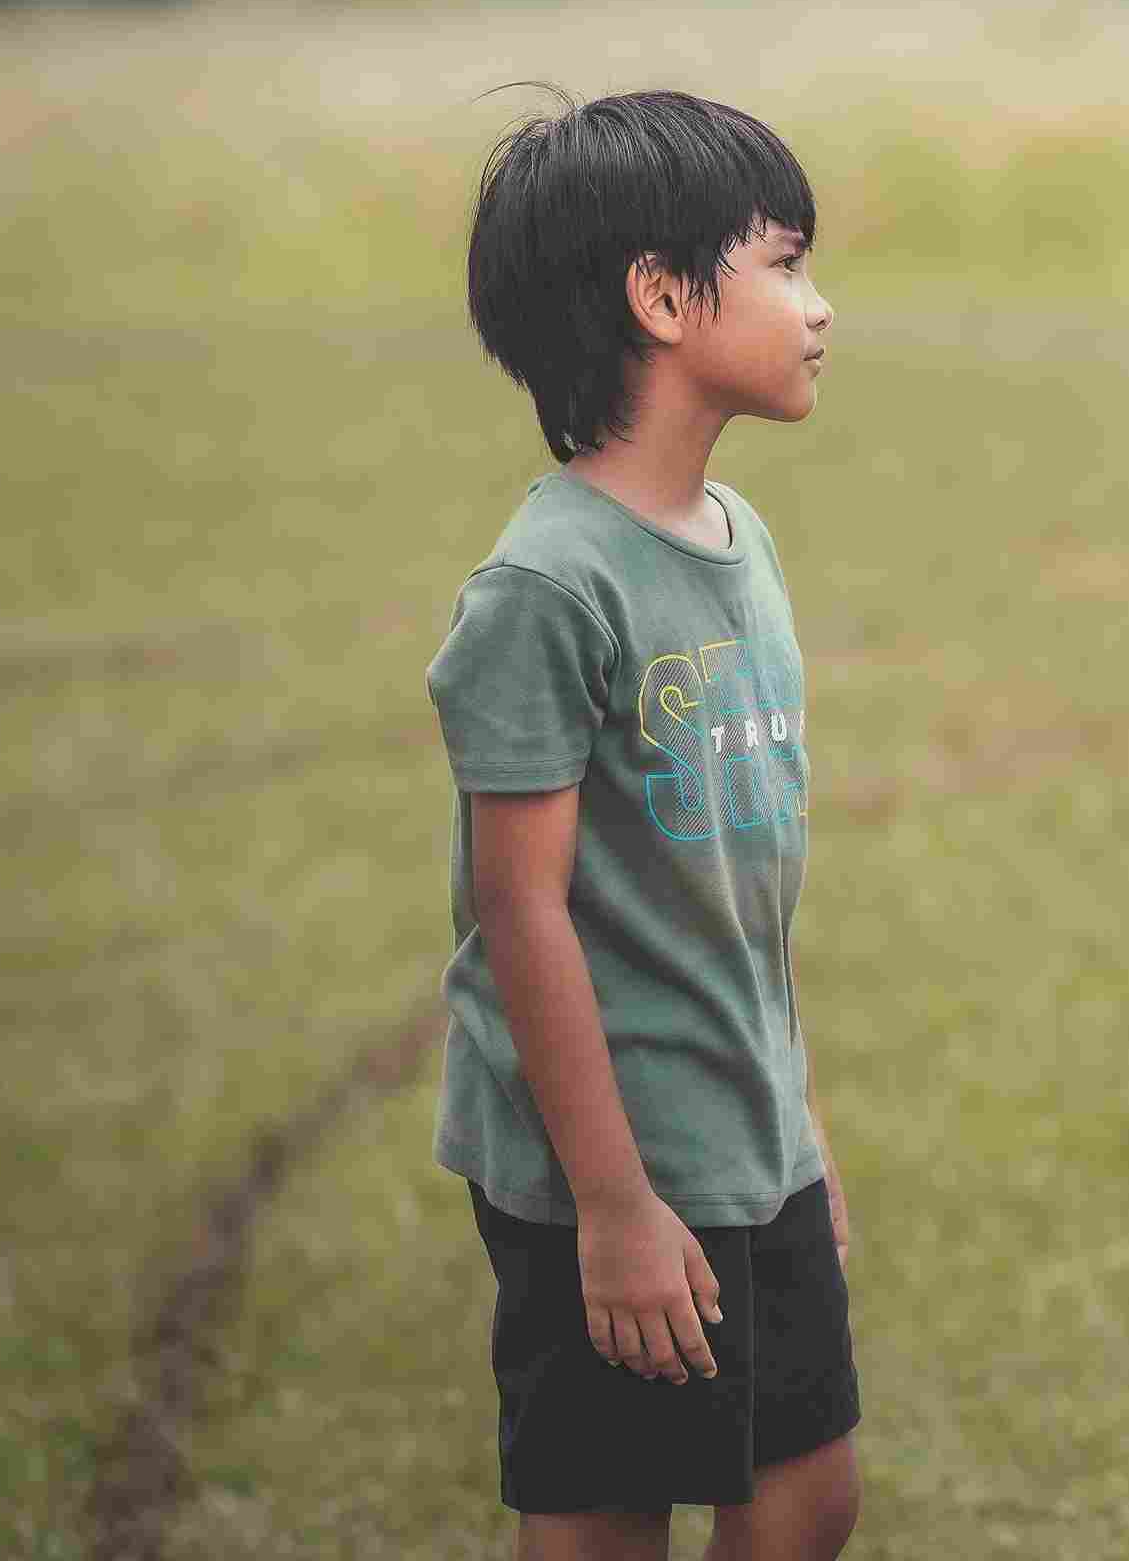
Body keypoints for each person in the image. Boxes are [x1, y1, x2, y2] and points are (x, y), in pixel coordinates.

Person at [427, 89, 859, 1561]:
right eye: (785, 262)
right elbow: (522, 913)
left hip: (749, 1133)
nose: (818, 305)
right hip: (607, 1167)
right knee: (608, 1523)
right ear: (661, 298)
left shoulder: (743, 546)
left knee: (808, 1495)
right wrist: (610, 1208)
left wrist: (796, 1126)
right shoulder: (547, 591)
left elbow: (736, 901)